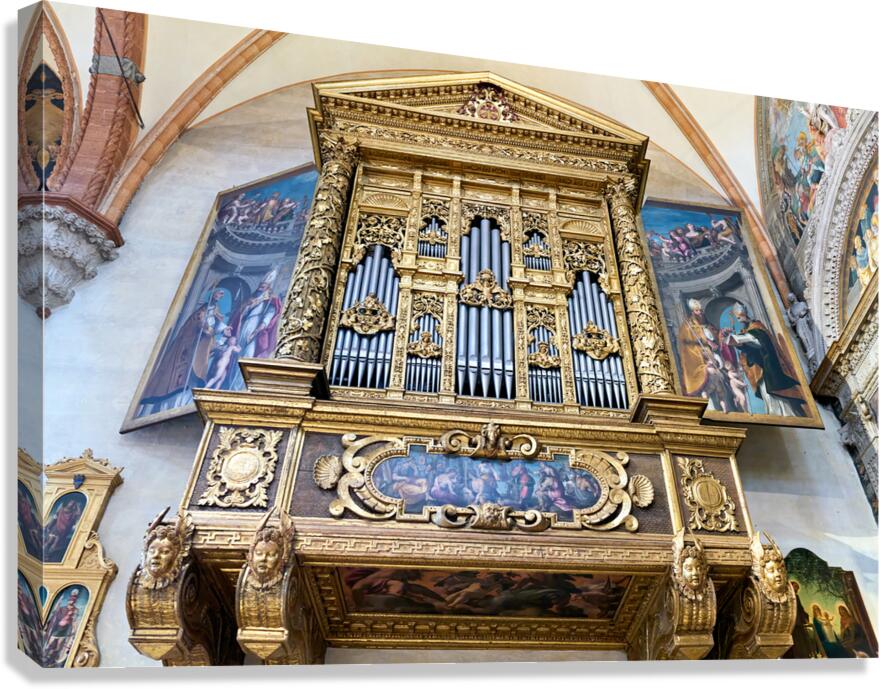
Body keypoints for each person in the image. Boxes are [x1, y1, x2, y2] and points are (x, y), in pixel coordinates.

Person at [724, 302, 806, 417]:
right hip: (760, 370)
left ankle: (786, 415)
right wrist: (738, 342)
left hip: (769, 368)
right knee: (767, 396)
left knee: (777, 397)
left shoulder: (757, 327)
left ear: (745, 314)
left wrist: (741, 339)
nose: (740, 321)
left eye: (740, 317)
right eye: (738, 318)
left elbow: (759, 341)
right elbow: (749, 348)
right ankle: (776, 415)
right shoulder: (748, 330)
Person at [676, 298, 734, 412]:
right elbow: (688, 345)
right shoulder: (688, 327)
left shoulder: (708, 326)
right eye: (697, 311)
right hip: (701, 361)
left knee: (722, 386)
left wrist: (722, 334)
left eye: (701, 310)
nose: (700, 313)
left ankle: (726, 409)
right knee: (707, 387)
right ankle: (710, 410)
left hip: (715, 359)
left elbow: (717, 340)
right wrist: (706, 344)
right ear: (693, 312)